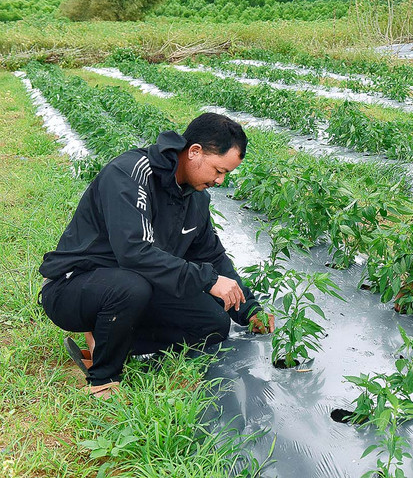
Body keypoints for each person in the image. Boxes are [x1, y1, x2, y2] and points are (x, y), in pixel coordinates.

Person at [39, 112, 273, 398]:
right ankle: (103, 378)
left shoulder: (195, 198)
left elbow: (212, 256)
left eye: (226, 174)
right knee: (130, 287)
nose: (221, 180)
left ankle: (107, 340)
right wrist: (207, 279)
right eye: (219, 170)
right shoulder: (130, 173)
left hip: (136, 283)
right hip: (75, 287)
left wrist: (248, 309)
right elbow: (134, 252)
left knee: (213, 323)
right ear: (195, 152)